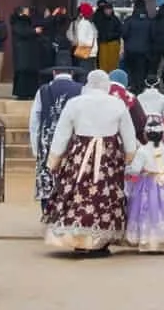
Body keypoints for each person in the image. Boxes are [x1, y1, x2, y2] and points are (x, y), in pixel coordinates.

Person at [43, 69, 139, 253]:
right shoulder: (117, 104)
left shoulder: (75, 103)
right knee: (106, 194)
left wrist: (54, 158)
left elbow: (62, 132)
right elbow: (128, 133)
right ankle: (100, 241)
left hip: (80, 154)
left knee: (77, 191)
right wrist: (130, 155)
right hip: (108, 157)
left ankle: (76, 236)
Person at [28, 62, 83, 211]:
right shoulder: (81, 89)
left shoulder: (43, 90)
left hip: (47, 141)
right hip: (72, 139)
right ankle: (69, 210)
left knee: (47, 174)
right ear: (72, 73)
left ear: (54, 73)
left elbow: (34, 120)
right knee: (71, 173)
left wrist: (36, 147)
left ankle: (47, 210)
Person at [124, 118, 164, 252]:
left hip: (146, 186)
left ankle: (147, 240)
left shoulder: (142, 151)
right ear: (162, 135)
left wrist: (127, 169)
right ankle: (163, 240)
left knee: (146, 211)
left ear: (146, 135)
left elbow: (135, 170)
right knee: (163, 212)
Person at [70, 3, 100, 72]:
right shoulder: (84, 24)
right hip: (86, 54)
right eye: (91, 13)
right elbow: (81, 40)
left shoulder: (89, 23)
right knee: (86, 73)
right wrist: (91, 42)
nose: (92, 15)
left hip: (90, 54)